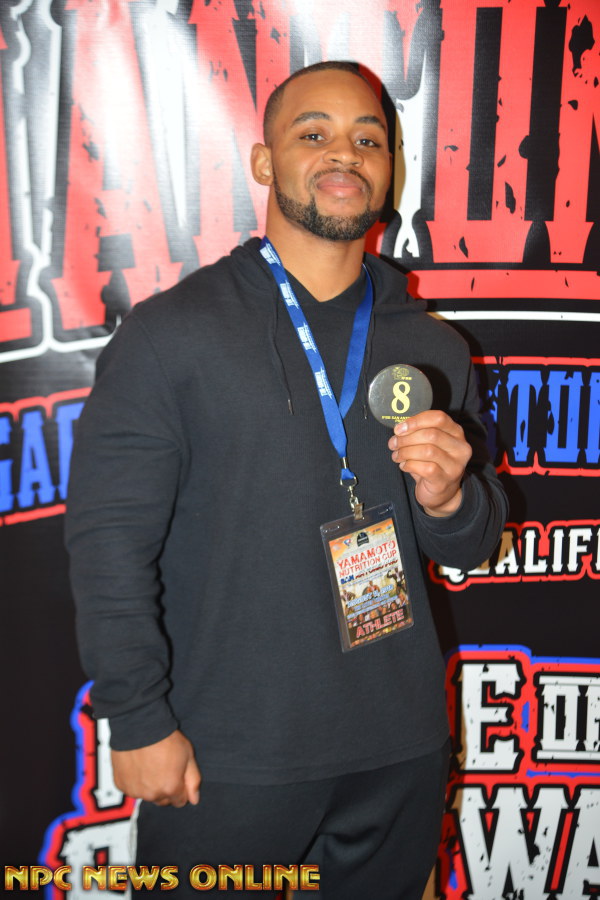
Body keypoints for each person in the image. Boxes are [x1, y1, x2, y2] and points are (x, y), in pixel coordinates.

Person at [66, 61, 508, 898]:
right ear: (265, 162)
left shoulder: (433, 348)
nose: (345, 154)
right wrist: (138, 715)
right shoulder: (172, 335)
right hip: (228, 756)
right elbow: (108, 545)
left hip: (398, 747)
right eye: (314, 133)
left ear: (390, 170)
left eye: (368, 139)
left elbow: (470, 542)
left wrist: (451, 498)